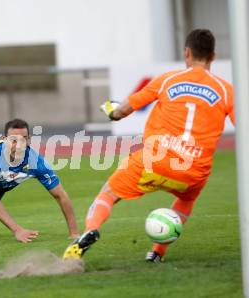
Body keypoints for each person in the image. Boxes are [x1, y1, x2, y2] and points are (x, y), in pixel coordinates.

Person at [63, 29, 234, 262]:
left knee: (109, 193)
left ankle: (90, 230)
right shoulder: (227, 90)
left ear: (187, 53)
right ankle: (156, 252)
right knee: (185, 202)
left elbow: (122, 110)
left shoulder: (167, 80)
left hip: (155, 160)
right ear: (213, 56)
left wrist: (112, 112)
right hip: (194, 169)